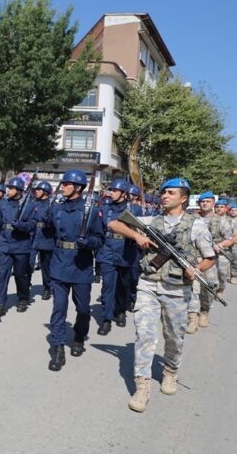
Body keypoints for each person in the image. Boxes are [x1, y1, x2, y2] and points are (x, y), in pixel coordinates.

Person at [107, 178, 215, 413]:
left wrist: (195, 269)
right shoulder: (150, 221)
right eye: (164, 192)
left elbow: (209, 258)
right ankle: (142, 386)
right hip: (148, 285)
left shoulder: (196, 225)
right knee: (145, 334)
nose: (165, 196)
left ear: (183, 198)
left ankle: (170, 371)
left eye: (171, 192)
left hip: (178, 289)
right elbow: (114, 224)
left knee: (174, 336)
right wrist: (136, 236)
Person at [47, 169, 104, 372]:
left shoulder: (91, 210)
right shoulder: (57, 209)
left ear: (78, 188)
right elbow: (49, 229)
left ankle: (79, 336)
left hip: (81, 265)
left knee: (82, 309)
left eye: (66, 184)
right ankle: (58, 348)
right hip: (60, 264)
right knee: (59, 308)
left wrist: (88, 241)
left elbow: (100, 239)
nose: (63, 187)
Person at [95, 179, 137, 335]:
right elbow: (99, 230)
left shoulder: (134, 210)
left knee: (123, 285)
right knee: (107, 286)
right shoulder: (106, 209)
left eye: (114, 190)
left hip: (126, 252)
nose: (111, 193)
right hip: (108, 251)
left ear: (124, 194)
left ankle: (121, 311)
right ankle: (106, 318)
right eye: (110, 190)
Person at [187, 192, 233, 330]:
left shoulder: (220, 220)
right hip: (194, 258)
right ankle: (192, 318)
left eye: (208, 201)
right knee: (193, 287)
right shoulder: (191, 219)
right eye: (202, 201)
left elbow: (231, 238)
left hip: (211, 259)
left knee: (210, 286)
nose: (205, 203)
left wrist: (221, 245)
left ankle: (205, 311)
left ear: (213, 203)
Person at [0, 177, 35, 317]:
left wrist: (20, 225)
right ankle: (0, 303)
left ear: (19, 190)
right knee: (3, 274)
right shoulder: (2, 204)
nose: (8, 190)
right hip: (4, 244)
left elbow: (32, 225)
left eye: (11, 188)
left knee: (21, 274)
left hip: (21, 244)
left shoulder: (29, 205)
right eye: (8, 188)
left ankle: (23, 298)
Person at [31, 181, 56, 301]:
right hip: (33, 235)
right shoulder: (32, 203)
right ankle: (26, 285)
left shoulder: (52, 205)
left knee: (46, 266)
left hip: (47, 237)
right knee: (27, 263)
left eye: (39, 189)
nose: (36, 191)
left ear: (45, 192)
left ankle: (47, 288)